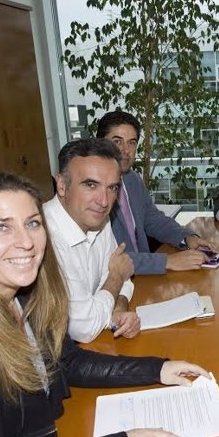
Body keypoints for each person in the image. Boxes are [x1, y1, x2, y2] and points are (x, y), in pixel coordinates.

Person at [0, 173, 210, 437]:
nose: (26, 242)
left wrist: (157, 368)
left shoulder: (25, 294)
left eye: (32, 223)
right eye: (2, 227)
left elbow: (66, 362)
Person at [97, 110, 219, 274]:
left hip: (142, 277)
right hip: (113, 285)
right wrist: (166, 261)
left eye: (132, 142)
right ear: (100, 143)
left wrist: (187, 238)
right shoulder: (93, 191)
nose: (125, 150)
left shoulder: (131, 179)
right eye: (117, 141)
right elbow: (108, 258)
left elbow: (154, 220)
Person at [45, 138, 139, 343]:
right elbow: (84, 328)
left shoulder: (98, 219)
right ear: (61, 185)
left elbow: (124, 279)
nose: (104, 201)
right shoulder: (44, 238)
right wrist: (115, 278)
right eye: (91, 185)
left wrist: (119, 309)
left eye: (112, 188)